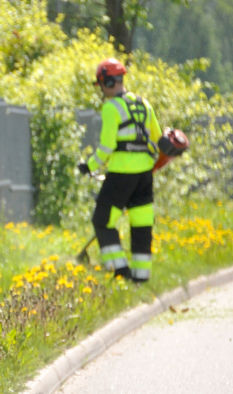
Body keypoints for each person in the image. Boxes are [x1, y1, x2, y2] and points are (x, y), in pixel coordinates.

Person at [78, 58, 161, 283]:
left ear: (108, 81)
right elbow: (157, 138)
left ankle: (120, 272)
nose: (102, 90)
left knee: (102, 221)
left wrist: (89, 166)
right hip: (145, 175)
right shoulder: (145, 104)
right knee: (142, 225)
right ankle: (141, 279)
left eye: (102, 85)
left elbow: (106, 147)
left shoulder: (111, 107)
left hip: (121, 175)